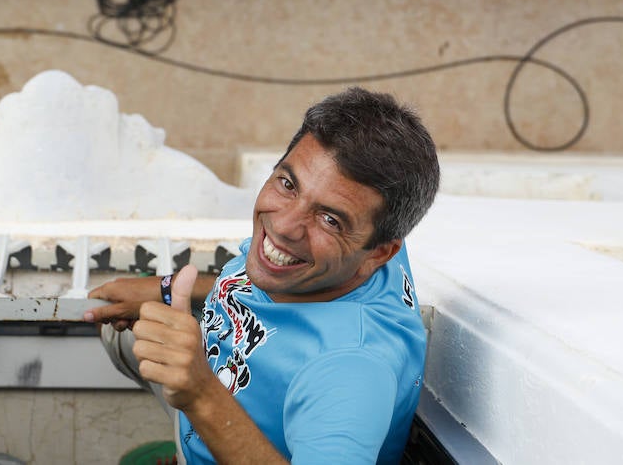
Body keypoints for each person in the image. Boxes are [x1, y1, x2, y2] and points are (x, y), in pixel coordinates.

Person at [84, 87, 439, 465]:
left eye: (329, 219)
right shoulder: (359, 238)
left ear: (380, 253)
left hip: (216, 395)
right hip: (226, 379)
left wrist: (202, 394)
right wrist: (165, 289)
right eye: (288, 184)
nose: (284, 226)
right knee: (117, 329)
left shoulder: (351, 372)